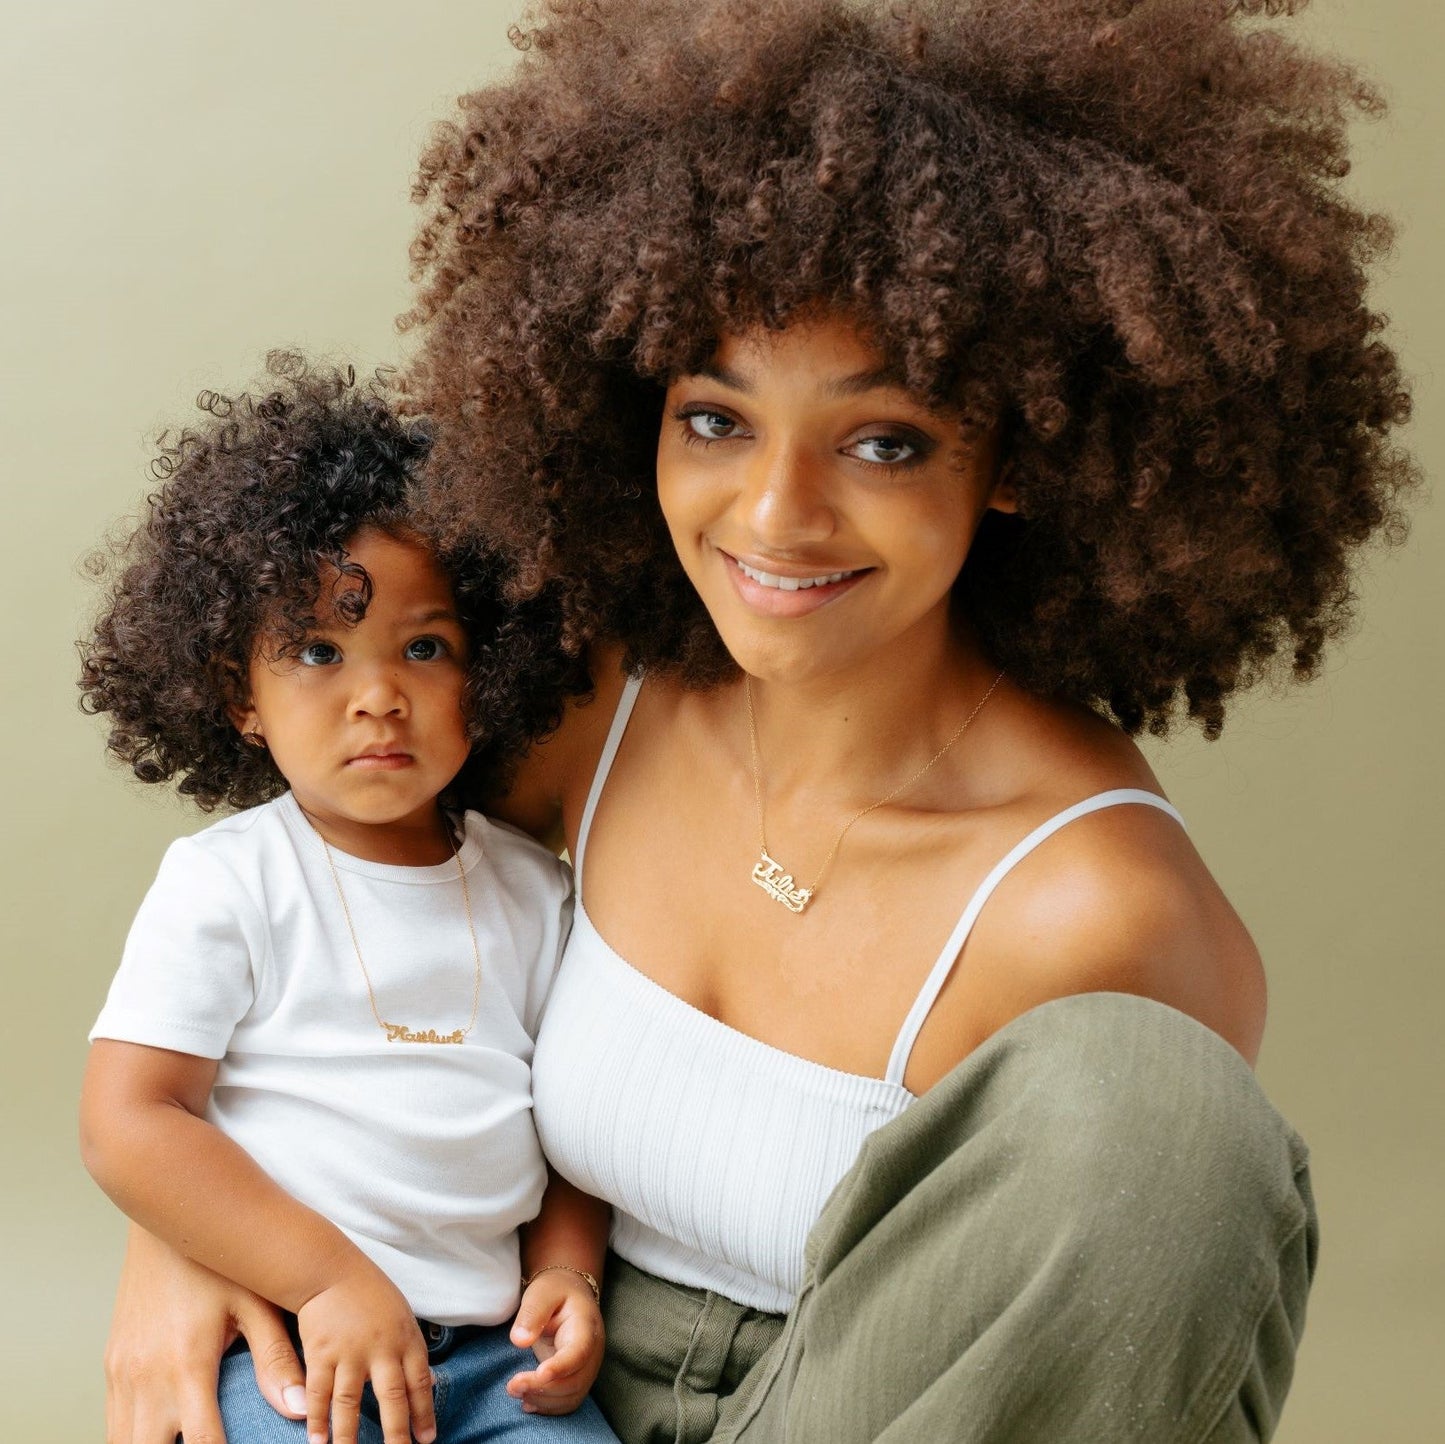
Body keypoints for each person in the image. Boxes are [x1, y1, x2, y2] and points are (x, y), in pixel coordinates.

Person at [99, 2, 1416, 1441]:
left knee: (1170, 1119)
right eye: (716, 419)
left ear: (1018, 460)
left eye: (884, 440)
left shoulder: (1085, 907)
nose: (774, 518)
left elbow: (1122, 1341)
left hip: (867, 1406)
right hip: (509, 1382)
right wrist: (182, 1244)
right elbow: (302, 900)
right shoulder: (589, 701)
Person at [78, 359, 618, 1444]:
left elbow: (577, 1133)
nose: (378, 694)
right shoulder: (231, 881)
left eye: (424, 646)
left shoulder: (536, 891)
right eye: (319, 651)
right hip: (292, 1339)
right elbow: (129, 1120)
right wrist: (326, 1281)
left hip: (490, 1365)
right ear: (240, 696)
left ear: (491, 668)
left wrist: (568, 1273)